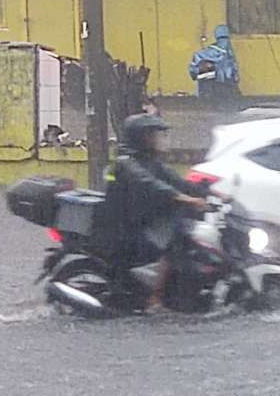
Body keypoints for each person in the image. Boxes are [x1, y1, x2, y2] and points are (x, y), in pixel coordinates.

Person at [99, 113, 208, 309]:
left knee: (188, 237)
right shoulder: (126, 163)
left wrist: (212, 192)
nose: (159, 139)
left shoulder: (153, 162)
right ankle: (155, 298)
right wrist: (185, 199)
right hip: (125, 231)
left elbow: (179, 182)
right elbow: (151, 184)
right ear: (141, 138)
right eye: (154, 135)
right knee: (174, 244)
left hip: (145, 222)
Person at [188, 25, 240, 105]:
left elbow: (194, 68)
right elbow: (232, 67)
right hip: (221, 85)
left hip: (211, 86)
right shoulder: (228, 51)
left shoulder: (205, 54)